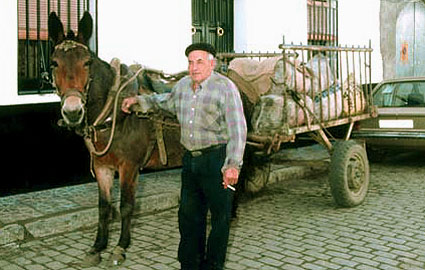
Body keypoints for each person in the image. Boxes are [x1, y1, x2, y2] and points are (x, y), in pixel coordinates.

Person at [121, 42, 247, 270]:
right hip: (190, 162)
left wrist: (232, 165)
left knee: (220, 219)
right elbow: (164, 102)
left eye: (200, 61)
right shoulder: (182, 86)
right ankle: (190, 264)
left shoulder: (225, 88)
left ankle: (213, 265)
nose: (194, 67)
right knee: (188, 218)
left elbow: (238, 130)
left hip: (217, 160)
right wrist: (139, 101)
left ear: (212, 63)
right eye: (190, 62)